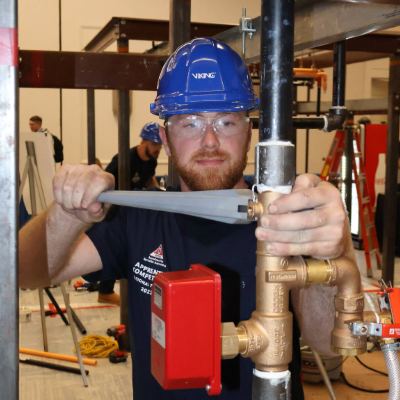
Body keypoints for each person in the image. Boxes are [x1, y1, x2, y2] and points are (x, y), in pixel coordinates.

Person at [19, 38, 354, 400]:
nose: (209, 140)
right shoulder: (137, 218)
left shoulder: (285, 217)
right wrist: (67, 213)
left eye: (226, 121)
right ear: (165, 137)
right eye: (190, 123)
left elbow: (327, 343)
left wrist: (335, 253)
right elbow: (26, 273)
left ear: (248, 132)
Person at [106, 122, 162, 190]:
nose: (158, 148)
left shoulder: (152, 161)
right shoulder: (124, 159)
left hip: (136, 195)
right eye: (154, 144)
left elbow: (150, 181)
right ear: (143, 142)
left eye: (160, 144)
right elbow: (105, 179)